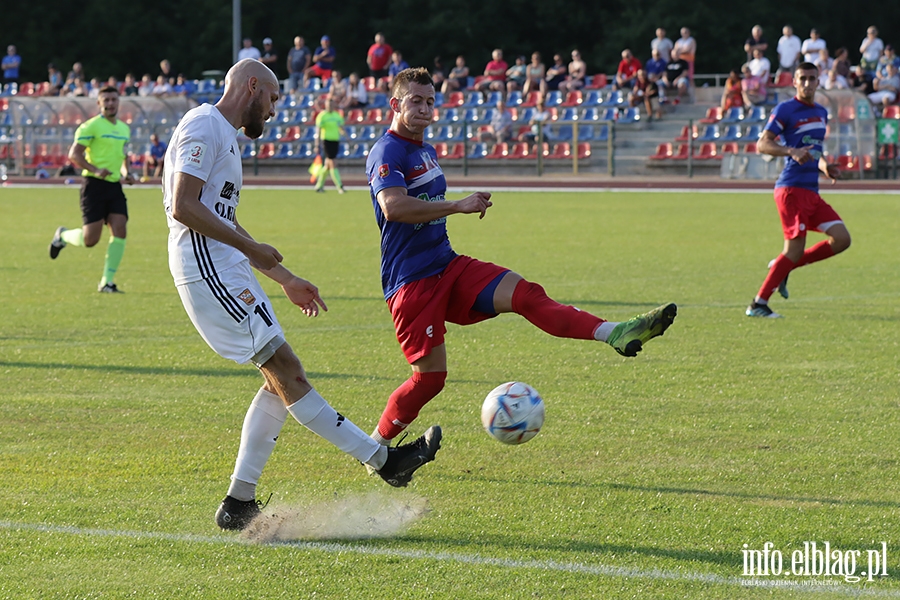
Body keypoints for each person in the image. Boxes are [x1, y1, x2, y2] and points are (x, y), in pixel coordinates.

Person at [161, 59, 441, 530]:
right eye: (270, 99)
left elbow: (218, 215)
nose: (272, 111)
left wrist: (283, 276)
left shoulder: (222, 134)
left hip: (228, 269)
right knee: (286, 371)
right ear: (251, 87)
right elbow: (182, 205)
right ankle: (383, 460)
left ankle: (238, 503)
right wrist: (251, 249)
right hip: (207, 271)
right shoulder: (205, 124)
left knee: (278, 378)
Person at [364, 67, 677, 448]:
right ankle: (374, 447)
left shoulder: (424, 149)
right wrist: (459, 205)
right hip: (411, 283)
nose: (426, 109)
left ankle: (615, 332)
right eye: (416, 101)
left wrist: (457, 206)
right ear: (395, 104)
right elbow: (393, 207)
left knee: (526, 294)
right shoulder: (387, 150)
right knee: (430, 379)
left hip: (446, 265)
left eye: (431, 101)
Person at [746, 62, 850, 319]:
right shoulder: (786, 109)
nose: (807, 83)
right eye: (802, 78)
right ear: (794, 81)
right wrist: (790, 150)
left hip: (811, 192)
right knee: (792, 249)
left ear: (818, 81)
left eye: (811, 78)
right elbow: (762, 144)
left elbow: (816, 151)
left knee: (842, 239)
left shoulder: (821, 112)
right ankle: (758, 304)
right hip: (791, 190)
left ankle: (782, 267)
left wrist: (825, 167)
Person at [48, 86, 135, 293]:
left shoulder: (124, 129)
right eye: (106, 100)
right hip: (93, 186)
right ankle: (62, 236)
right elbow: (74, 155)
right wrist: (95, 169)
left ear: (118, 102)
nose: (110, 103)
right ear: (99, 103)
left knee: (120, 228)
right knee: (90, 240)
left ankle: (107, 282)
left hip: (114, 186)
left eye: (114, 99)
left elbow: (123, 156)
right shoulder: (90, 127)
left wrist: (126, 173)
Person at [313, 96, 345, 193]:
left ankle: (319, 186)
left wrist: (347, 137)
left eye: (332, 104)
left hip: (335, 141)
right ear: (325, 105)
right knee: (333, 163)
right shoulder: (322, 116)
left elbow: (341, 127)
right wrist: (317, 144)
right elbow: (318, 131)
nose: (330, 106)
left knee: (327, 165)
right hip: (326, 141)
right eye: (328, 104)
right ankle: (340, 186)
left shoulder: (337, 115)